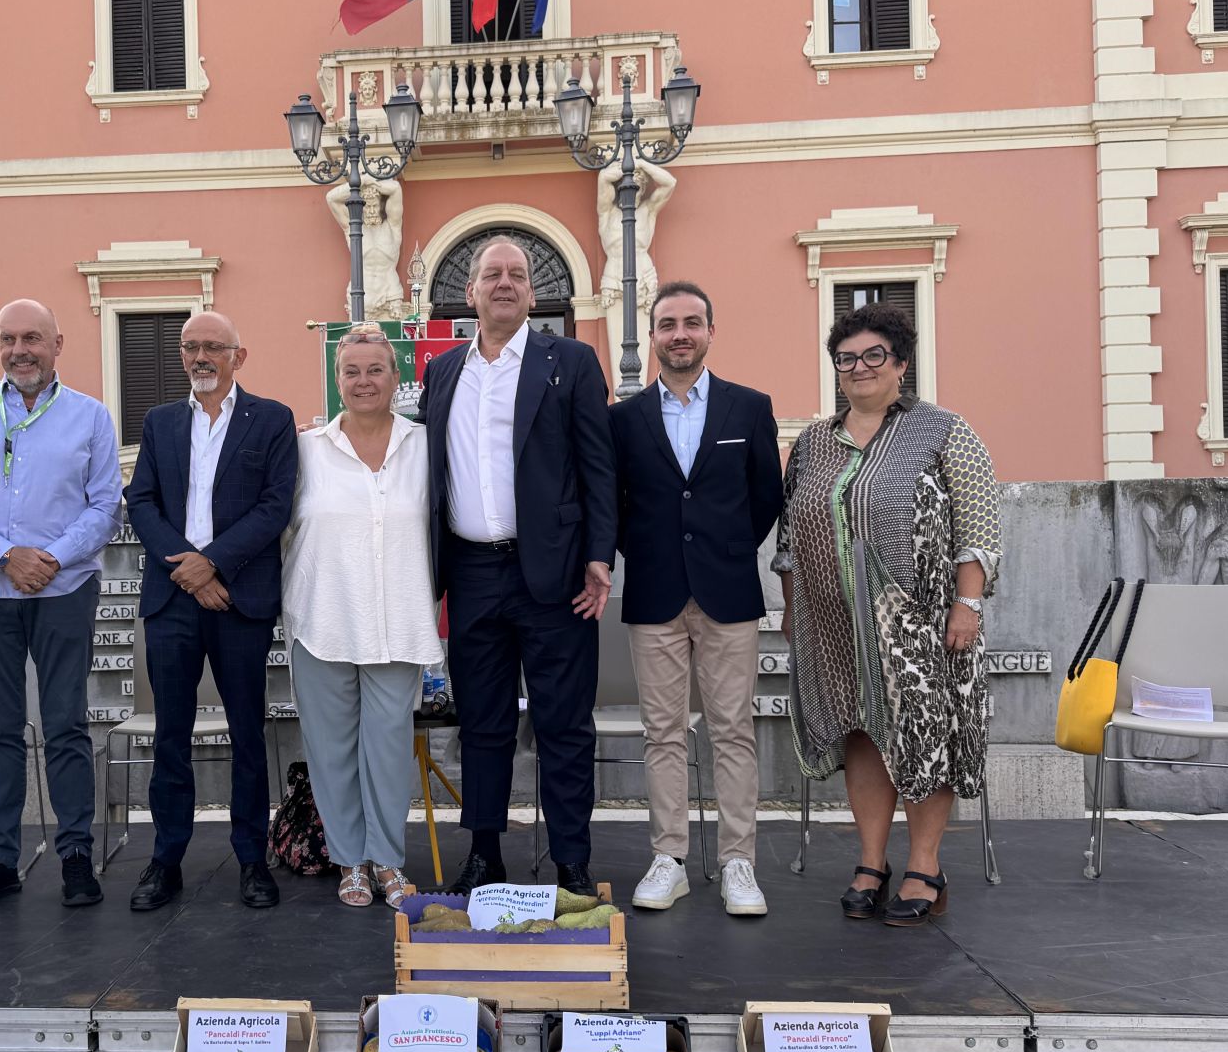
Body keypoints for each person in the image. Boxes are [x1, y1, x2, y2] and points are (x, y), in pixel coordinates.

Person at [774, 302, 1001, 927]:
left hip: (923, 621)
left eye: (874, 355)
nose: (860, 367)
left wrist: (967, 603)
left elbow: (979, 525)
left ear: (901, 364)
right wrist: (793, 608)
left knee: (925, 735)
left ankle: (925, 865)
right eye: (846, 358)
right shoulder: (814, 443)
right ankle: (871, 863)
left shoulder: (944, 430)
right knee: (861, 732)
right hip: (834, 621)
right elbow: (789, 536)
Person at [419, 236, 618, 896]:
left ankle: (571, 861)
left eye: (516, 274)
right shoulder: (443, 371)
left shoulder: (572, 361)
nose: (503, 282)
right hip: (471, 575)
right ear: (470, 292)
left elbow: (598, 466)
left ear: (532, 293)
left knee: (564, 724)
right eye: (491, 274)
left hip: (556, 576)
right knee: (483, 724)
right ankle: (484, 853)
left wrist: (598, 555)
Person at [0, 299, 122, 913]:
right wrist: (7, 555)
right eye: (9, 338)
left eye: (33, 338)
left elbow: (105, 505)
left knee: (66, 723)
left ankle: (75, 854)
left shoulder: (90, 416)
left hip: (64, 590)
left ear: (57, 344)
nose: (20, 350)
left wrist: (52, 559)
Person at [610, 281, 782, 915]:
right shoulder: (623, 419)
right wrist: (650, 553)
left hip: (727, 592)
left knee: (733, 730)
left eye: (691, 323)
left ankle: (739, 863)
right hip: (654, 591)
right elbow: (614, 503)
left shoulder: (749, 407)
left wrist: (726, 550)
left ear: (711, 331)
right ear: (653, 336)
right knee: (662, 733)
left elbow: (766, 495)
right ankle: (669, 858)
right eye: (667, 324)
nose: (679, 334)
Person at [124, 311, 298, 912]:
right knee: (170, 735)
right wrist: (189, 570)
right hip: (173, 597)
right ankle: (165, 858)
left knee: (248, 732)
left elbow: (275, 506)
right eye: (190, 346)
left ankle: (252, 859)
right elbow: (141, 500)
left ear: (237, 357)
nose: (200, 357)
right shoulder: (160, 421)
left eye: (213, 347)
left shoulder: (272, 420)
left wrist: (214, 563)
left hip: (239, 597)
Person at [285, 325, 443, 908]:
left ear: (396, 377)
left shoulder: (425, 447)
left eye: (376, 369)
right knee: (330, 751)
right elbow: (278, 526)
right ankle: (350, 861)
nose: (363, 381)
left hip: (398, 619)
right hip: (321, 617)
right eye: (351, 371)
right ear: (337, 380)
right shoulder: (307, 451)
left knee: (389, 749)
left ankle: (387, 858)